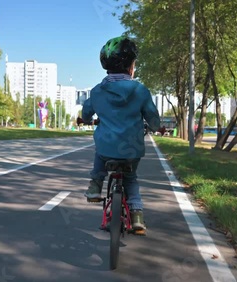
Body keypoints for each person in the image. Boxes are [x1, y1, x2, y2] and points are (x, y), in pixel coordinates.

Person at [82, 36, 160, 232]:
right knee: (131, 179)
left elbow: (86, 114)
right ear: (131, 66)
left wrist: (86, 119)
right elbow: (152, 118)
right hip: (132, 150)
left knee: (100, 152)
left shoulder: (97, 91)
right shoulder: (140, 91)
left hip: (106, 148)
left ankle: (95, 185)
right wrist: (155, 126)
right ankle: (137, 217)